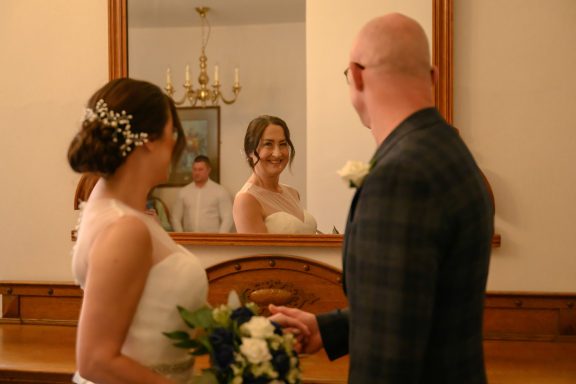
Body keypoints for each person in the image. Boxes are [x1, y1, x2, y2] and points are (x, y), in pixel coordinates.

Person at [270, 13, 494, 383]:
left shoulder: (399, 176)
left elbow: (388, 361)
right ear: (433, 77)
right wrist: (328, 328)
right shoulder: (449, 149)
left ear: (357, 75)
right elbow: (413, 305)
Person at [68, 78, 208, 383]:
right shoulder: (125, 228)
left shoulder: (113, 207)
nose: (176, 144)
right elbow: (96, 361)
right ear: (148, 139)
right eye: (172, 132)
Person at [233, 115, 317, 234]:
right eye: (268, 144)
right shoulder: (246, 200)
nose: (277, 153)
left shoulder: (293, 193)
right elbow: (257, 252)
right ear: (250, 151)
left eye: (283, 144)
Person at [170, 155, 233, 233]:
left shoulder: (220, 191)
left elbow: (228, 217)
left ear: (208, 170)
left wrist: (219, 238)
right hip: (189, 240)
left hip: (212, 240)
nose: (197, 173)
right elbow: (175, 217)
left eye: (200, 169)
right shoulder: (183, 192)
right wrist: (181, 236)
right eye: (194, 169)